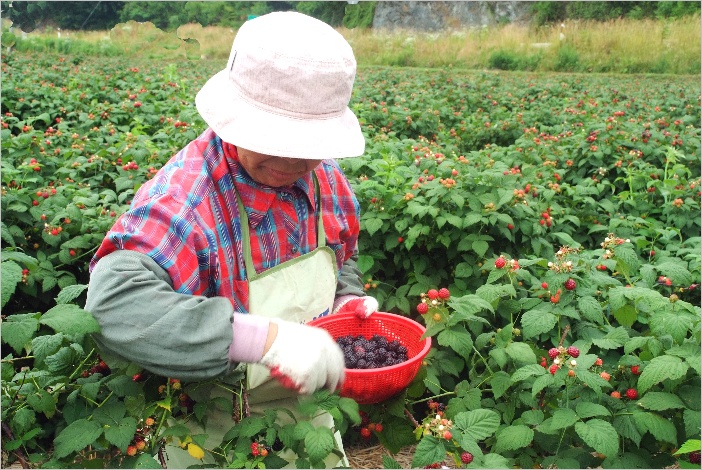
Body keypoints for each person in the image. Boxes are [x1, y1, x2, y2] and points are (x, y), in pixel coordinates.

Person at [85, 11, 379, 468]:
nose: (289, 158)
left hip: (308, 421)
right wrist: (263, 340)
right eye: (272, 137)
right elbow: (114, 305)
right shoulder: (187, 198)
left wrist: (345, 303)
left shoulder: (328, 184)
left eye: (306, 144)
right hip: (209, 437)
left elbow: (343, 256)